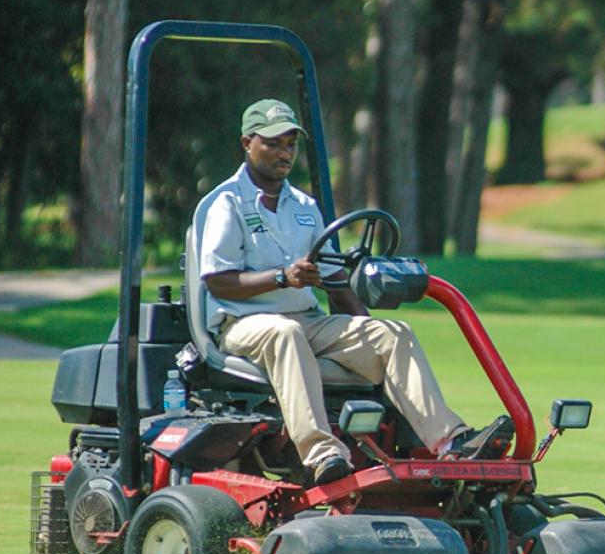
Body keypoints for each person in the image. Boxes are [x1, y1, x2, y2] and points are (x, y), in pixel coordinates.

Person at [197, 99, 513, 486]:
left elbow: (334, 280)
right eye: (273, 143)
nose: (284, 153)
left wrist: (363, 335)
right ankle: (322, 453)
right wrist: (283, 277)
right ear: (247, 143)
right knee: (285, 333)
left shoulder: (304, 207)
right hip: (244, 324)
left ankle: (450, 442)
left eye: (291, 144)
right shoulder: (226, 203)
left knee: (391, 333)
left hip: (306, 320)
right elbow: (218, 281)